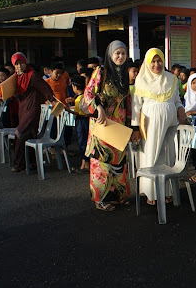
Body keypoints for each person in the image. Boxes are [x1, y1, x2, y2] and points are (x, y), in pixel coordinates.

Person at [80, 41, 132, 211]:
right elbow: (88, 92)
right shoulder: (101, 71)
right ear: (110, 54)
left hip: (118, 127)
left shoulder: (125, 74)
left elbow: (128, 101)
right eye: (117, 53)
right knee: (101, 164)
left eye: (123, 53)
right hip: (103, 125)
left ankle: (118, 196)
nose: (120, 56)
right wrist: (98, 107)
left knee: (118, 163)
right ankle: (100, 199)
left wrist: (131, 124)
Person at [132, 48, 187, 206]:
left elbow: (176, 100)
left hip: (170, 125)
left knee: (168, 156)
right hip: (150, 126)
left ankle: (167, 192)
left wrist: (180, 109)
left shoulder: (171, 78)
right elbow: (136, 106)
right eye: (153, 61)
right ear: (148, 63)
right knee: (152, 157)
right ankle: (152, 193)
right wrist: (136, 128)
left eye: (159, 61)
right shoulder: (141, 80)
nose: (157, 64)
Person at [6, 52, 55, 173]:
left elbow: (45, 88)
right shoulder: (17, 77)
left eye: (21, 63)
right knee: (30, 135)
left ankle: (19, 164)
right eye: (16, 64)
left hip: (32, 109)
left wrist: (52, 100)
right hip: (22, 108)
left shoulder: (32, 75)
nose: (19, 67)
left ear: (25, 62)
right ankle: (32, 162)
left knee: (19, 133)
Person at [69, 75, 90, 170]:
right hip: (86, 121)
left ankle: (85, 163)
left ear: (75, 87)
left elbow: (78, 112)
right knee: (85, 141)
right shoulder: (84, 96)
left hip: (81, 121)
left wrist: (68, 110)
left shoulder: (78, 99)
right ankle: (84, 163)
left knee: (82, 141)